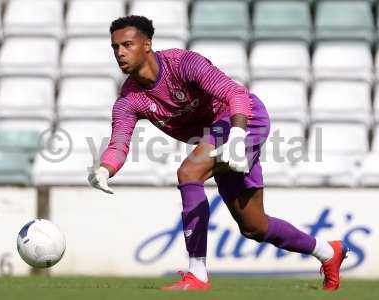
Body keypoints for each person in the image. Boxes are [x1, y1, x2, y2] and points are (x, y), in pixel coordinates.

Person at [88, 15, 347, 291]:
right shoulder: (129, 99)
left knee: (189, 171)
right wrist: (105, 168)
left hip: (244, 119)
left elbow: (236, 94)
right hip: (216, 137)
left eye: (127, 44)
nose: (120, 53)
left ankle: (197, 274)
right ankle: (328, 252)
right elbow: (118, 144)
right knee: (254, 226)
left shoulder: (182, 63)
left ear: (147, 44)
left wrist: (236, 137)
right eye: (115, 47)